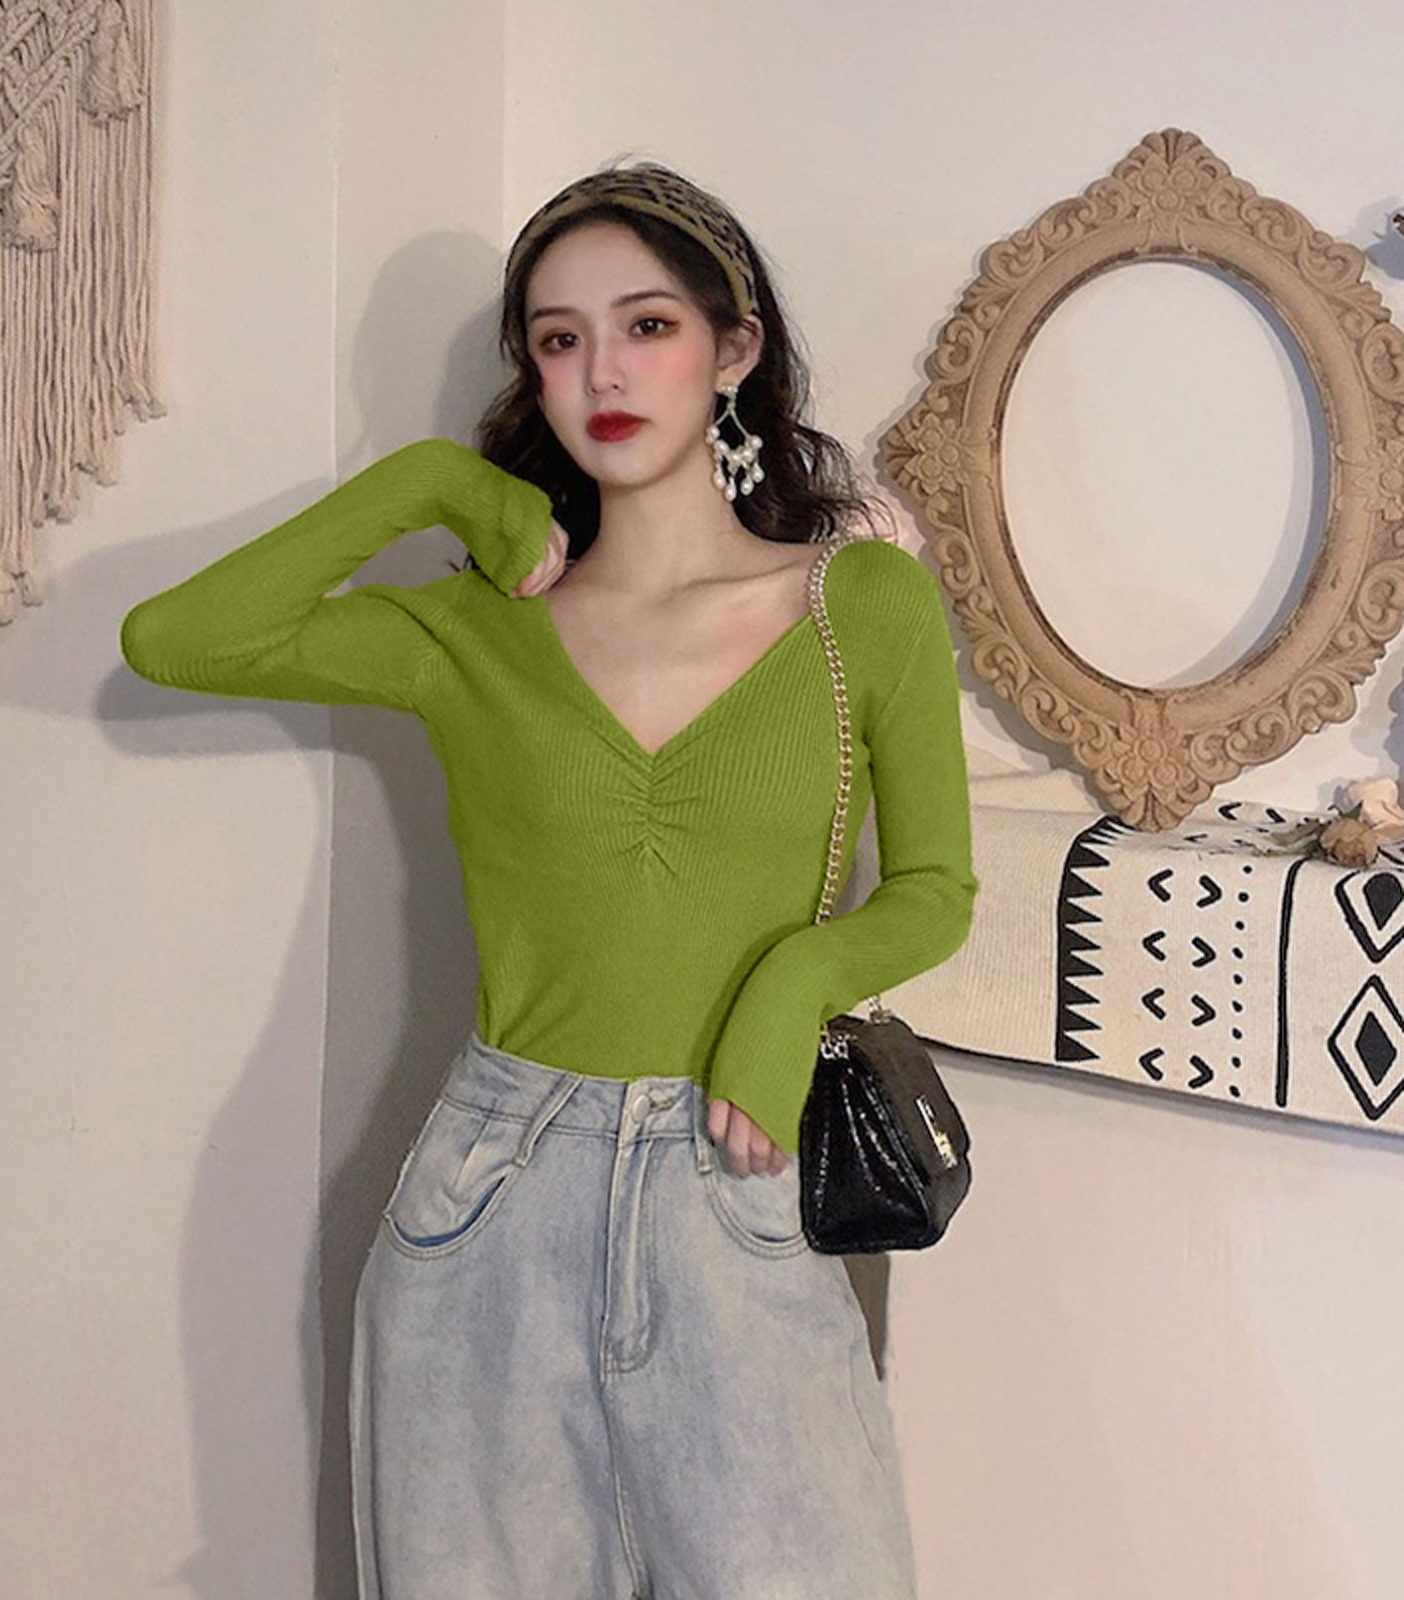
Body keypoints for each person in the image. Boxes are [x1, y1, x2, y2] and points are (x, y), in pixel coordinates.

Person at [121, 162, 976, 1600]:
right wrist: (428, 483)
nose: (604, 374)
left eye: (648, 326)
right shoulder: (470, 634)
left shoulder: (859, 603)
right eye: (559, 339)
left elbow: (939, 888)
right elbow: (176, 638)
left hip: (739, 1183)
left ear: (733, 349)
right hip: (489, 1204)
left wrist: (794, 984)